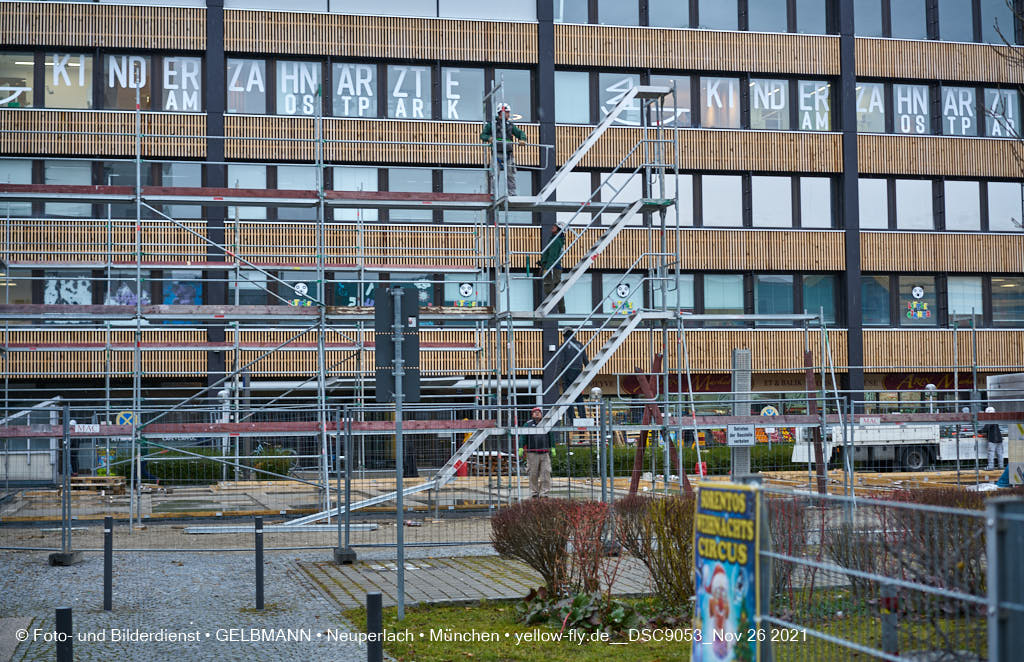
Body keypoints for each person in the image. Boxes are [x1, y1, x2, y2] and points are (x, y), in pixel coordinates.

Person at [479, 103, 527, 196]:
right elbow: (483, 135)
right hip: (496, 153)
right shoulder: (492, 125)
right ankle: (494, 194)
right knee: (494, 175)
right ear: (501, 113)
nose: (509, 114)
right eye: (507, 112)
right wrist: (489, 138)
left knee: (510, 174)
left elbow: (520, 133)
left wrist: (522, 139)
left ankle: (512, 193)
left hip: (508, 154)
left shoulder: (510, 125)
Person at [518, 407, 556, 498]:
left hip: (544, 453)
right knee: (533, 473)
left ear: (542, 414)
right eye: (535, 412)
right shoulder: (528, 424)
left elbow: (551, 436)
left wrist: (553, 447)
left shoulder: (546, 424)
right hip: (532, 453)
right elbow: (523, 436)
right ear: (532, 414)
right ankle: (534, 492)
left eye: (539, 412)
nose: (537, 414)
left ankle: (544, 493)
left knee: (546, 473)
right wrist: (521, 447)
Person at [557, 328, 589, 421]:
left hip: (567, 371)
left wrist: (556, 377)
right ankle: (583, 417)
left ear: (564, 336)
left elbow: (560, 362)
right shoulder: (580, 345)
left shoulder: (563, 346)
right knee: (578, 395)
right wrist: (588, 372)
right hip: (578, 371)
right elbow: (585, 360)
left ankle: (572, 418)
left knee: (568, 396)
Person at [537, 223, 565, 314]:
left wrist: (547, 267)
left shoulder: (556, 241)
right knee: (557, 288)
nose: (552, 227)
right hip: (552, 266)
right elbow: (548, 254)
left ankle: (556, 308)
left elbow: (552, 256)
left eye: (555, 226)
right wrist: (542, 263)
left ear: (559, 229)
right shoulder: (554, 239)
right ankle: (561, 310)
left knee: (549, 287)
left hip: (553, 267)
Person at [984, 406, 1004, 471]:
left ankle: (990, 466)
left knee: (991, 453)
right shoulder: (996, 419)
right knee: (1000, 453)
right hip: (999, 438)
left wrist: (979, 431)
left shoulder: (990, 420)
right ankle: (1001, 466)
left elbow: (985, 429)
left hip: (992, 439)